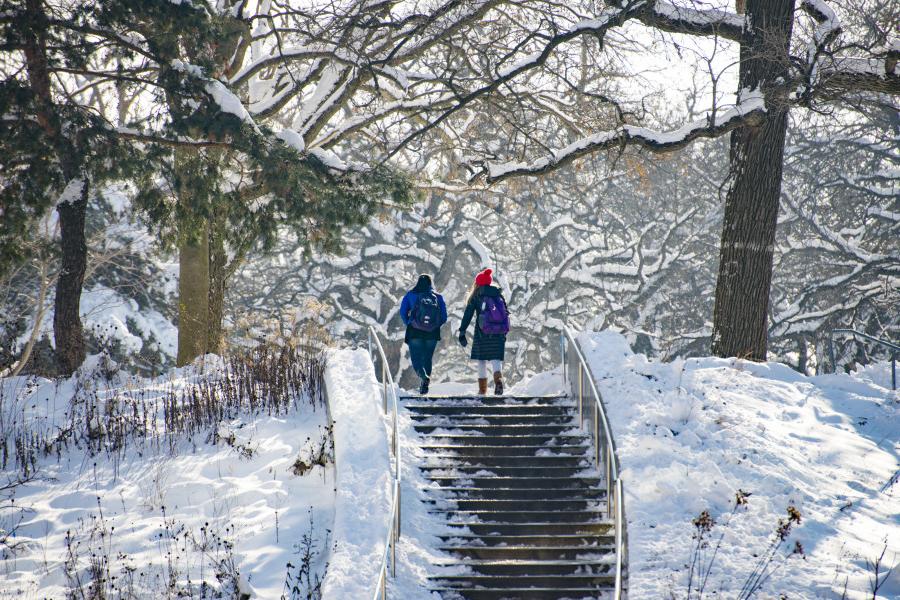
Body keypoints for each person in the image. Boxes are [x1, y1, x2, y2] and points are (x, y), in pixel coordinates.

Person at [458, 268, 509, 395]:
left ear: (478, 283)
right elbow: (505, 314)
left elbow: (468, 314)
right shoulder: (498, 294)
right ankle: (498, 382)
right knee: (495, 359)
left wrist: (462, 331)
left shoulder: (477, 296)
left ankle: (482, 390)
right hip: (498, 333)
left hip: (482, 333)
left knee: (481, 360)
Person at [399, 274, 448, 394]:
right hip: (432, 333)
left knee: (416, 357)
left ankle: (423, 376)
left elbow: (402, 312)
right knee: (427, 358)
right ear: (431, 284)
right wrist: (434, 325)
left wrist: (410, 323)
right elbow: (444, 317)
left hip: (415, 331)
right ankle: (425, 384)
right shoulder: (438, 297)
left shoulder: (411, 295)